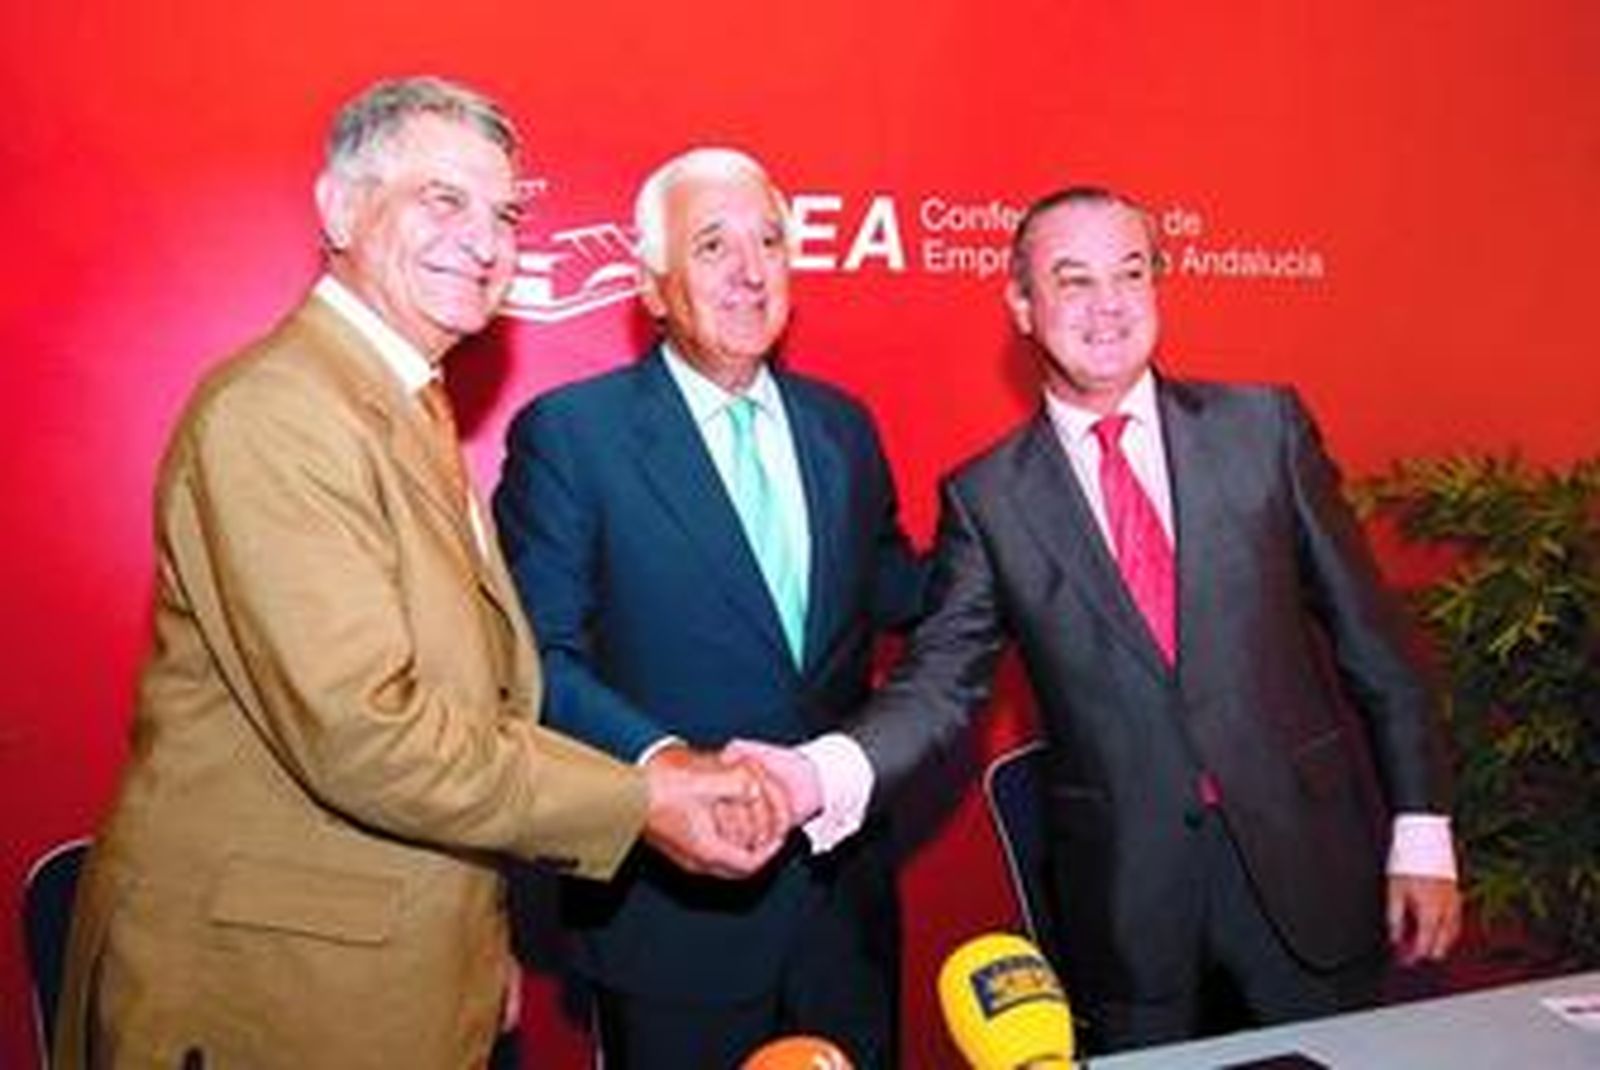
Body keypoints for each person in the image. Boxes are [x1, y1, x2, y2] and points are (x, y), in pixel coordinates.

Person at [52, 77, 781, 1070]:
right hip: (271, 997)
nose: (484, 242)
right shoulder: (280, 411)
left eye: (505, 213)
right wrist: (640, 799)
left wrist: (469, 946)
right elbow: (369, 733)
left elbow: (472, 694)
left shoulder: (402, 403)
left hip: (389, 968)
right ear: (341, 208)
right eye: (443, 201)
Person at [734, 185, 1463, 1054]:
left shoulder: (1264, 431)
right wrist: (818, 775)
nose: (1108, 304)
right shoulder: (989, 498)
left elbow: (1373, 644)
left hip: (1308, 879)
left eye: (1130, 273)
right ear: (1023, 307)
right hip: (1129, 916)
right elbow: (937, 687)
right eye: (1072, 280)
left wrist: (1423, 829)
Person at [493, 147, 925, 1069]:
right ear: (652, 286)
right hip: (672, 920)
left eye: (770, 240)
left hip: (842, 909)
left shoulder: (842, 427)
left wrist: (1020, 541)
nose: (749, 270)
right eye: (713, 245)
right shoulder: (573, 435)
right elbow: (536, 659)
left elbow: (903, 594)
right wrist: (667, 766)